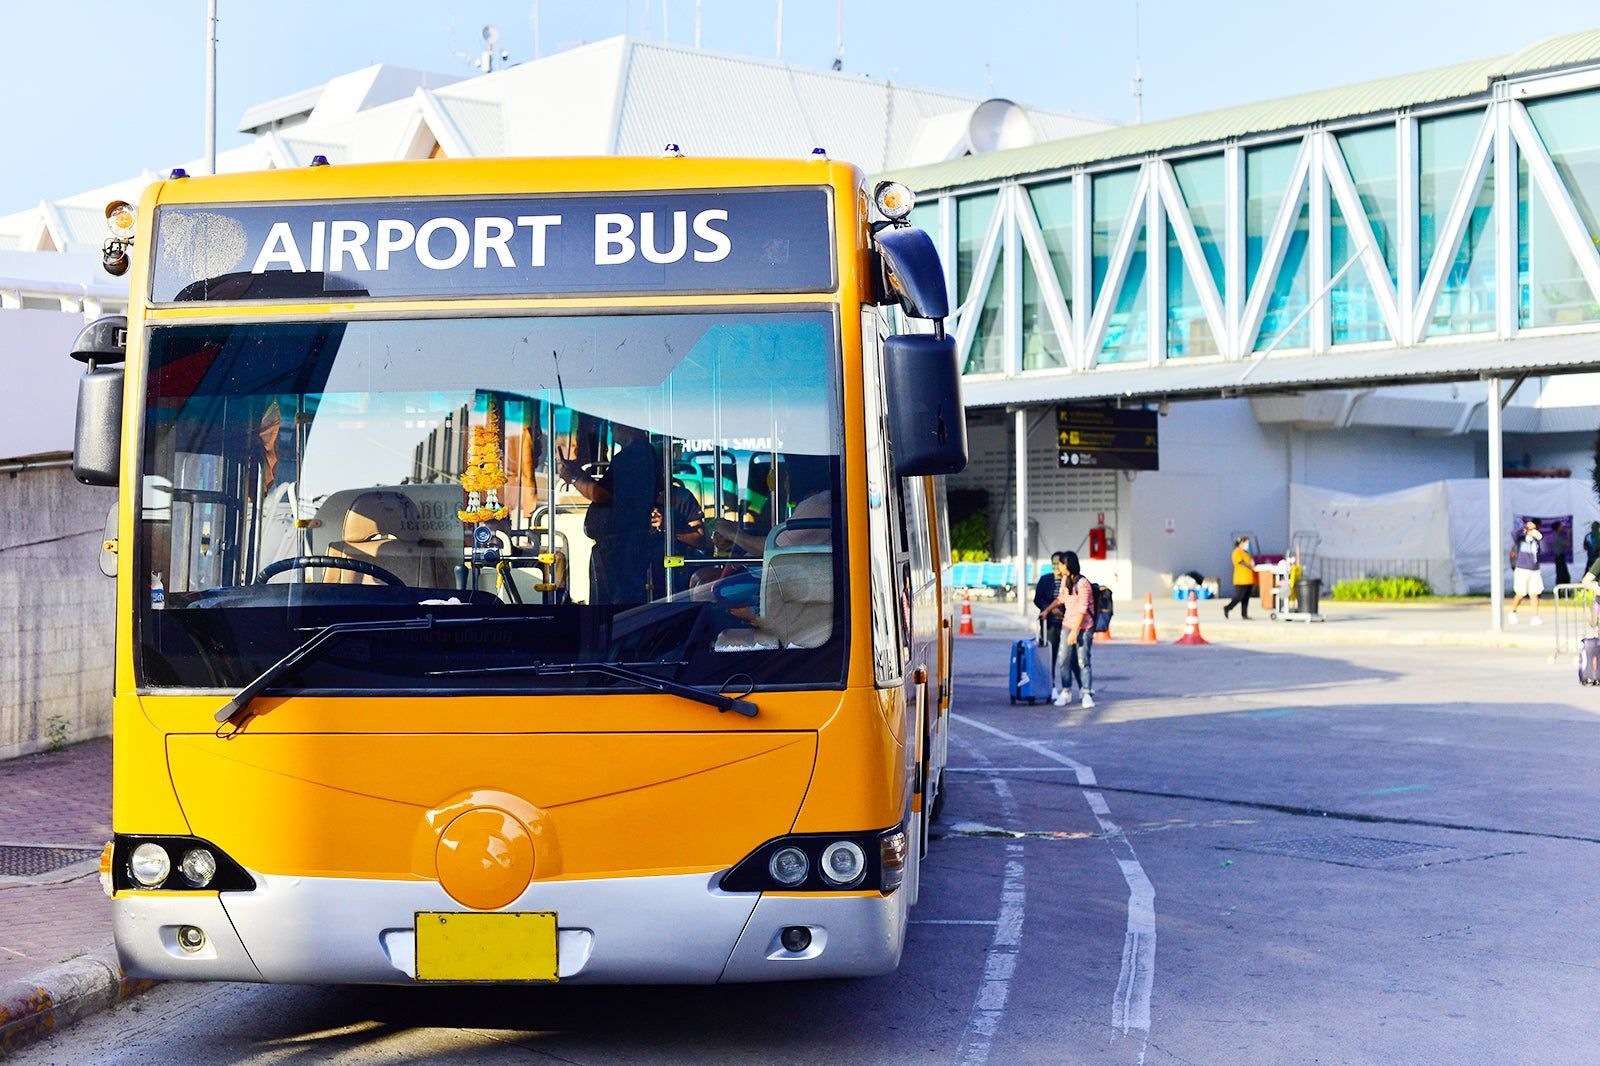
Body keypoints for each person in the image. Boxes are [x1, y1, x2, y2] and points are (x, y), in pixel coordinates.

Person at [559, 423, 657, 604]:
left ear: (627, 427)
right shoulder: (646, 454)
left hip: (620, 542)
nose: (612, 430)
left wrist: (573, 478)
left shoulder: (630, 457)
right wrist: (580, 474)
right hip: (629, 539)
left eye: (614, 426)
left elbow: (601, 494)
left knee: (612, 600)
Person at [1041, 551, 1095, 709]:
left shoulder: (1083, 583)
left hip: (1084, 627)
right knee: (1063, 659)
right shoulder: (1065, 580)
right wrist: (1047, 610)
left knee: (1082, 660)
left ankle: (1086, 693)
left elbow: (1083, 609)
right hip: (1067, 625)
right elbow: (1061, 598)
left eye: (1061, 564)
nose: (1058, 566)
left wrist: (1075, 631)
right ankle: (1066, 691)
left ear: (1067, 565)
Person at [1033, 553, 1067, 701]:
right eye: (1053, 563)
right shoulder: (1045, 579)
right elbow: (1038, 599)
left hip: (1066, 622)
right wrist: (1050, 609)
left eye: (1058, 563)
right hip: (1050, 623)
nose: (1055, 567)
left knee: (1068, 658)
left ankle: (1073, 688)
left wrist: (1063, 611)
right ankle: (1051, 686)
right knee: (1050, 656)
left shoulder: (1069, 581)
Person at [1508, 517, 1544, 626]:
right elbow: (1513, 533)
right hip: (1522, 569)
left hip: (1534, 569)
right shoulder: (1520, 539)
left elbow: (1541, 548)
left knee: (1534, 593)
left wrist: (1537, 536)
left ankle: (1535, 616)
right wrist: (1526, 527)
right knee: (1520, 593)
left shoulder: (1536, 541)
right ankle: (1513, 612)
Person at [1223, 535, 1254, 620]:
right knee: (1240, 596)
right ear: (1241, 543)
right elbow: (1240, 562)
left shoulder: (1246, 553)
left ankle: (1244, 614)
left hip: (1248, 579)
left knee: (1246, 598)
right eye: (1246, 543)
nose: (1247, 544)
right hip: (1241, 579)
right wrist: (1249, 566)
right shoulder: (1237, 552)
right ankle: (1228, 607)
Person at [1552, 520, 1572, 586]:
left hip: (1560, 557)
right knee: (1562, 575)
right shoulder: (1557, 536)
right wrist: (1568, 534)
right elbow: (1567, 544)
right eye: (1561, 526)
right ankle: (1561, 590)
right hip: (1559, 557)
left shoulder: (1558, 536)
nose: (1562, 527)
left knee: (1563, 574)